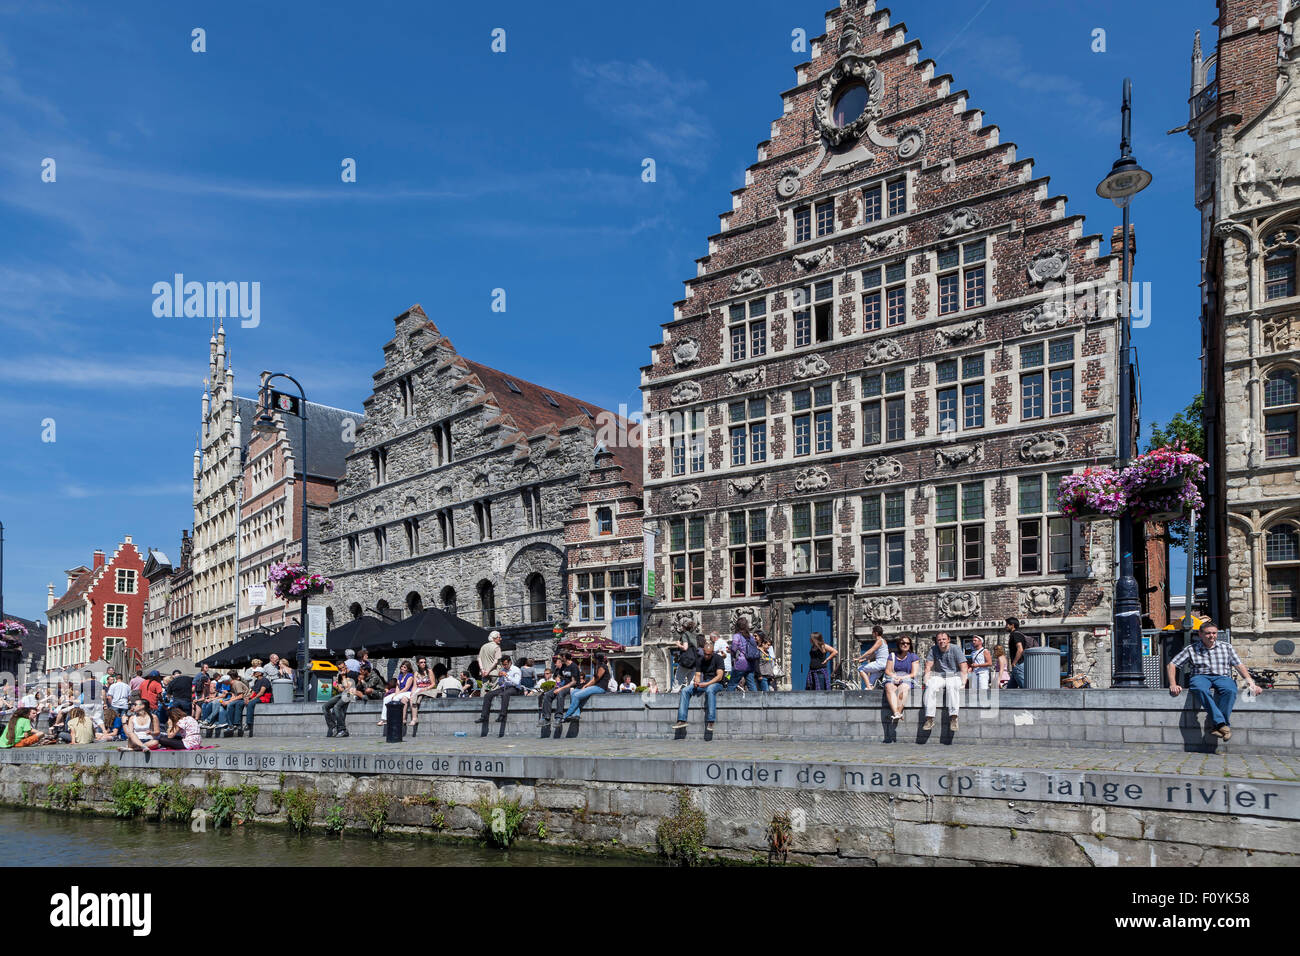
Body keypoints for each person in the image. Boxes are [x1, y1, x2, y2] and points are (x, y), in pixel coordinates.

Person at [1167, 623, 1262, 740]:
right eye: (1208, 633)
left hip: (1222, 676)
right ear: (1200, 634)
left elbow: (1239, 665)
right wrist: (1173, 684)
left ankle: (1218, 726)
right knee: (1199, 688)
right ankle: (1221, 724)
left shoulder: (1226, 647)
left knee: (1230, 690)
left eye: (1214, 633)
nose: (1211, 636)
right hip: (1200, 676)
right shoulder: (1191, 649)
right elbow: (1172, 664)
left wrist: (1251, 684)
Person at [671, 638, 725, 732]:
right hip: (705, 683)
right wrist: (696, 683)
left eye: (709, 654)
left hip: (717, 683)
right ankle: (682, 720)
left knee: (710, 689)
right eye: (705, 654)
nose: (707, 656)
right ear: (703, 651)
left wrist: (706, 683)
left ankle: (711, 721)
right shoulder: (700, 660)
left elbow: (719, 677)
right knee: (685, 690)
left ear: (712, 652)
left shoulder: (718, 658)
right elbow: (698, 675)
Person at [922, 632, 969, 733]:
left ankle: (953, 717)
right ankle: (929, 719)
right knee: (930, 686)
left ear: (948, 640)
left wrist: (963, 682)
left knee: (951, 686)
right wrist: (926, 680)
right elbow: (928, 666)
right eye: (939, 639)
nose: (941, 641)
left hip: (954, 675)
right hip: (939, 675)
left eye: (943, 639)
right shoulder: (933, 649)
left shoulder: (955, 648)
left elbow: (963, 665)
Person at [561, 654, 611, 722]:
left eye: (593, 658)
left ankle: (567, 716)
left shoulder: (602, 667)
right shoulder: (597, 666)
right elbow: (593, 679)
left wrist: (585, 686)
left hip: (600, 688)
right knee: (574, 692)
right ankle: (576, 715)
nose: (592, 659)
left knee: (576, 696)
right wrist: (585, 686)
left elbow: (595, 680)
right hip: (595, 686)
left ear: (597, 659)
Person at [476, 655, 523, 724]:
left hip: (514, 688)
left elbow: (516, 682)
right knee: (488, 695)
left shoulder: (516, 670)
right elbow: (501, 683)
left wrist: (507, 675)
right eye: (503, 665)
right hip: (504, 687)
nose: (504, 666)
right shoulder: (503, 670)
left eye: (506, 664)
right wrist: (500, 678)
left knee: (505, 694)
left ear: (510, 662)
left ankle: (502, 715)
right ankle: (484, 716)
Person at [883, 638, 920, 722]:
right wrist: (894, 676)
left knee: (903, 688)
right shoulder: (892, 655)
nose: (905, 645)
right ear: (898, 645)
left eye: (907, 643)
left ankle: (898, 713)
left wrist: (902, 678)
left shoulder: (913, 656)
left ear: (910, 645)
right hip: (893, 678)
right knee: (889, 687)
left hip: (907, 679)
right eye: (902, 643)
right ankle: (896, 713)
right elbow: (887, 670)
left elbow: (913, 673)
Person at [540, 652, 581, 725]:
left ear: (564, 657)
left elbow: (573, 682)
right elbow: (558, 676)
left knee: (560, 693)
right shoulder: (564, 666)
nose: (559, 659)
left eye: (560, 657)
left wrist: (560, 689)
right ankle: (546, 717)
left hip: (572, 687)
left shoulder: (573, 666)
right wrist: (558, 684)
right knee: (547, 694)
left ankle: (558, 717)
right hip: (563, 686)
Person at [324, 668, 361, 738]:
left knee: (336, 707)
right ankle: (333, 727)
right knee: (325, 706)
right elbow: (340, 690)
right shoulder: (340, 679)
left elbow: (347, 689)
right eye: (341, 670)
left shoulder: (350, 678)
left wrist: (344, 677)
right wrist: (341, 684)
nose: (342, 671)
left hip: (349, 695)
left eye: (344, 669)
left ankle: (342, 730)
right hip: (342, 695)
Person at [727, 618, 760, 693]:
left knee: (732, 684)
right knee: (751, 685)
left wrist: (731, 651)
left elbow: (734, 649)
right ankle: (756, 701)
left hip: (740, 663)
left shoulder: (737, 636)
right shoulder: (750, 637)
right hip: (750, 664)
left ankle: (727, 702)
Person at [379, 660, 415, 727]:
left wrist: (397, 695)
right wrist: (396, 693)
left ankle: (395, 718)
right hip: (400, 692)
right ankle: (384, 719)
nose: (402, 668)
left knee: (395, 698)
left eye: (405, 667)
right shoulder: (400, 675)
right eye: (402, 666)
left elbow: (406, 688)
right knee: (386, 698)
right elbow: (398, 687)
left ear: (408, 669)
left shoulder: (410, 676)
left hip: (408, 692)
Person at [408, 658, 439, 732]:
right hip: (419, 690)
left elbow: (433, 684)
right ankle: (415, 718)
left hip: (428, 689)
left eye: (424, 662)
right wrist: (412, 692)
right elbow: (415, 685)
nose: (423, 663)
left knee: (416, 696)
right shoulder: (416, 673)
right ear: (418, 664)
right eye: (421, 662)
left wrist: (426, 688)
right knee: (412, 697)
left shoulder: (429, 671)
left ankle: (414, 718)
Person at [1006, 617, 1036, 688]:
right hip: (1017, 666)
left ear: (1012, 625)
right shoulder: (1016, 634)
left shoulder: (1016, 634)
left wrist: (1014, 662)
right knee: (1010, 689)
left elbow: (1020, 649)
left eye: (1007, 624)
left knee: (1025, 688)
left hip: (1018, 665)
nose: (1005, 626)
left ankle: (1034, 699)